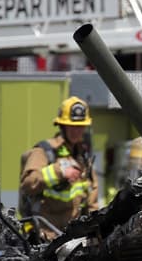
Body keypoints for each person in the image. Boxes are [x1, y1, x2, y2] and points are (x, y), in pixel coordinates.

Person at [20, 97, 99, 238]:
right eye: (72, 126)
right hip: (45, 235)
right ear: (62, 126)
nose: (77, 131)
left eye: (81, 126)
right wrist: (59, 172)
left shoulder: (83, 157)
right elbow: (27, 184)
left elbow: (91, 198)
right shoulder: (45, 151)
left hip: (73, 236)